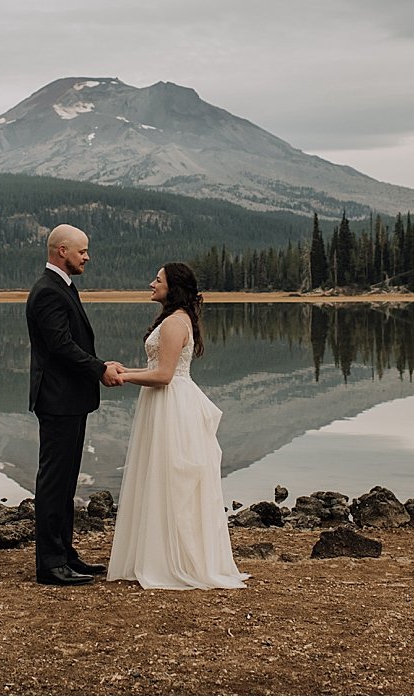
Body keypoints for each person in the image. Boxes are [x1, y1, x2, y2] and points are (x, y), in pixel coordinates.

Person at [107, 262, 248, 590]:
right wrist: (121, 367)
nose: (152, 283)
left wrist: (123, 377)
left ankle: (174, 561)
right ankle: (159, 554)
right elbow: (158, 367)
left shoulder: (173, 323)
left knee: (173, 479)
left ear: (174, 287)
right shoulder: (177, 319)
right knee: (163, 477)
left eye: (158, 280)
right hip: (165, 402)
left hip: (171, 403)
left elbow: (164, 375)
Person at [26, 223, 126, 586]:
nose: (87, 257)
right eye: (82, 251)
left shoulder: (61, 287)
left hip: (69, 399)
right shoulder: (47, 292)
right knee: (54, 482)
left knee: (65, 481)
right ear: (62, 251)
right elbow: (61, 346)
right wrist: (100, 369)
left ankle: (65, 554)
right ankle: (50, 564)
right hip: (57, 399)